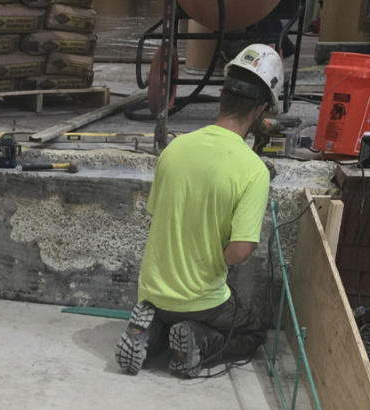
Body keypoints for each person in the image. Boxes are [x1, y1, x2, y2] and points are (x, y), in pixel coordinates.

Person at [115, 44, 282, 378]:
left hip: (153, 291)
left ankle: (151, 332)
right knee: (253, 331)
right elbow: (240, 252)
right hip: (204, 301)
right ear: (263, 108)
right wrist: (212, 257)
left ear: (222, 94)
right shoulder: (253, 171)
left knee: (169, 314)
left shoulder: (174, 148)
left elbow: (158, 213)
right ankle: (199, 340)